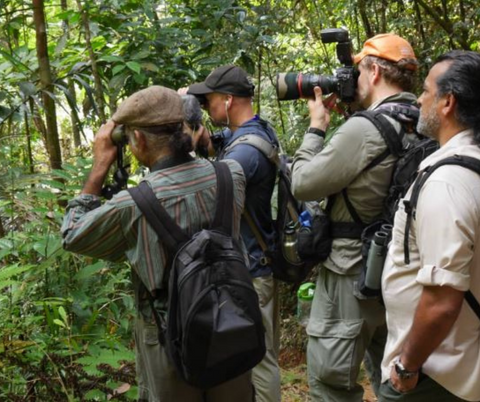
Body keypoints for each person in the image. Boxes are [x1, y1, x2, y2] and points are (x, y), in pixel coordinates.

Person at [61, 86, 254, 402]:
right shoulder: (231, 174)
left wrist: (100, 167)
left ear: (136, 140)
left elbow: (72, 234)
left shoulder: (133, 207)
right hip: (233, 322)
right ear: (184, 128)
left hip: (167, 339)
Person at [291, 34, 419, 401]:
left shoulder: (365, 129)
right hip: (397, 271)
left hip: (351, 272)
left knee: (331, 384)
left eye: (358, 71)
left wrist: (316, 127)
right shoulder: (420, 121)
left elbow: (303, 182)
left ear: (375, 71)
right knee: (389, 378)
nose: (351, 79)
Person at [379, 50, 480, 402]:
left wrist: (407, 367)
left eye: (425, 91)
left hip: (436, 373)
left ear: (447, 102)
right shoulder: (471, 168)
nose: (420, 100)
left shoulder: (447, 183)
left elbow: (441, 300)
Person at [184, 65, 282, 402]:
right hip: (254, 265)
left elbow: (213, 193)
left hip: (252, 271)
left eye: (209, 101)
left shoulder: (245, 153)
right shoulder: (257, 132)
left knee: (260, 359)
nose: (207, 109)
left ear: (228, 100)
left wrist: (188, 149)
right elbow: (222, 144)